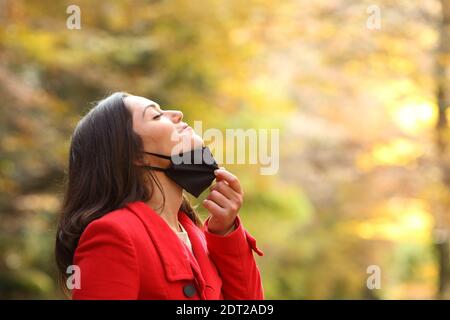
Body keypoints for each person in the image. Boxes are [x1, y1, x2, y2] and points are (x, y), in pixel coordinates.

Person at [55, 92, 264, 299]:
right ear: (135, 155)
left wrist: (226, 232)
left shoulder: (196, 234)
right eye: (156, 115)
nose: (177, 114)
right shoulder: (113, 234)